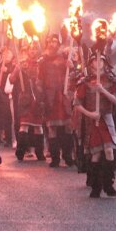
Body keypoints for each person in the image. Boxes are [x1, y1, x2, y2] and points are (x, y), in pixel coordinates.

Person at [73, 52, 116, 198]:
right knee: (96, 154)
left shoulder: (111, 81)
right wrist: (90, 114)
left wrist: (103, 90)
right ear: (90, 63)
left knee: (109, 151)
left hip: (107, 121)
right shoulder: (84, 82)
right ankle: (96, 187)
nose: (98, 63)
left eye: (101, 60)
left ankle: (108, 185)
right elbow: (77, 104)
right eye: (95, 60)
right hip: (92, 123)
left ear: (105, 63)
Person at [38, 34, 74, 167]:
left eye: (55, 42)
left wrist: (72, 66)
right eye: (50, 42)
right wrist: (41, 99)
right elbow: (40, 81)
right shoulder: (44, 61)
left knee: (68, 127)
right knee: (52, 128)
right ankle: (55, 157)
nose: (53, 45)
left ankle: (68, 155)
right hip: (50, 99)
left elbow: (74, 77)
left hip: (64, 97)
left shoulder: (65, 58)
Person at [10, 44, 46, 161]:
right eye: (31, 49)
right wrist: (16, 70)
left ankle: (39, 153)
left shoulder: (41, 64)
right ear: (28, 50)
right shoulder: (21, 64)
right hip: (25, 98)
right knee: (24, 125)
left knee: (38, 127)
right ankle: (20, 152)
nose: (33, 51)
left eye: (35, 48)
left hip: (38, 98)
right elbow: (11, 80)